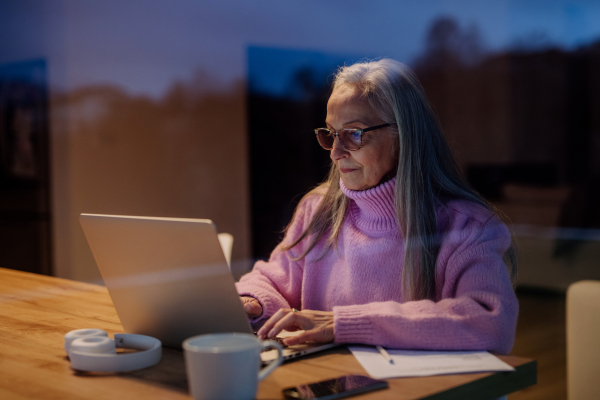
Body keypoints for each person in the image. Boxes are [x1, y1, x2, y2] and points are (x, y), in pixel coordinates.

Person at [237, 58, 518, 355]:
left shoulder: (467, 226)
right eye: (331, 134)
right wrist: (253, 302)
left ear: (404, 136)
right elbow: (270, 279)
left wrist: (345, 325)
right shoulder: (317, 210)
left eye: (354, 134)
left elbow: (492, 322)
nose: (335, 153)